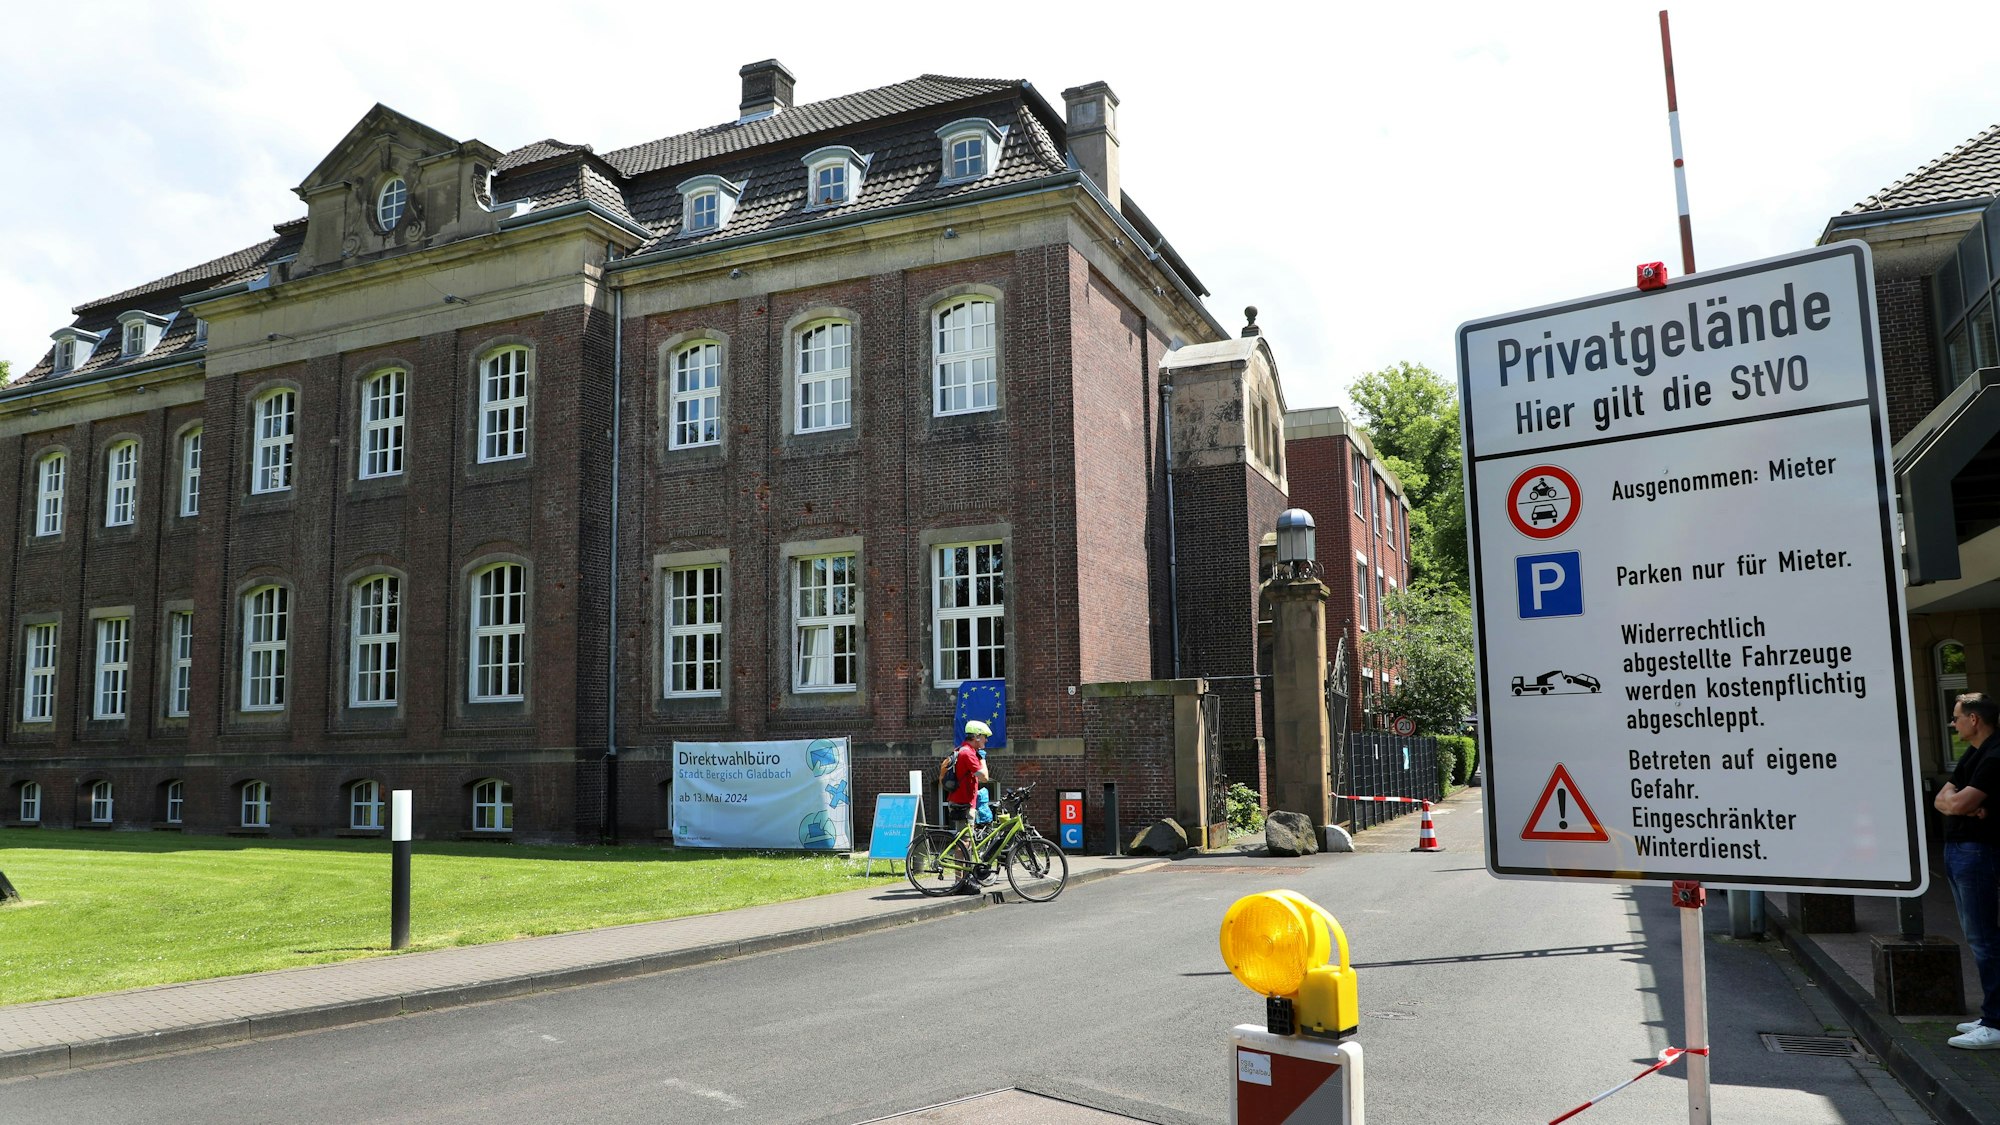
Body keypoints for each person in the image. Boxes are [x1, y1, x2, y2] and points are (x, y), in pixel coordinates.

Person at [1936, 692, 2000, 1049]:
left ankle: (1995, 1023)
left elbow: (1956, 799)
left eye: (1957, 717)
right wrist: (1960, 806)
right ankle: (1992, 1012)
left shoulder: (1994, 755)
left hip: (1977, 853)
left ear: (1974, 719)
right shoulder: (1974, 753)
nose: (1953, 723)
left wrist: (1960, 805)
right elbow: (1943, 798)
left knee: (1984, 938)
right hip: (1959, 849)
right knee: (1978, 937)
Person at [945, 720, 992, 893]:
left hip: (965, 801)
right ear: (977, 736)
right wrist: (982, 759)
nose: (986, 741)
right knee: (964, 843)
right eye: (985, 737)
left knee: (967, 841)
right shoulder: (968, 753)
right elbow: (984, 776)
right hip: (962, 803)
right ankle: (960, 882)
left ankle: (964, 879)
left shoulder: (964, 750)